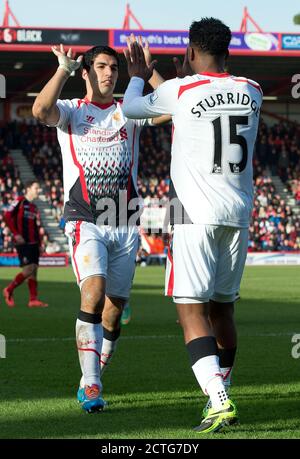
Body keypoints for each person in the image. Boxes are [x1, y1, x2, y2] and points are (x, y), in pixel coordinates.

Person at [123, 17, 262, 433]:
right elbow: (198, 98)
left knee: (190, 311)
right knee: (223, 308)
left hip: (193, 214)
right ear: (229, 52)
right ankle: (224, 386)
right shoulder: (252, 91)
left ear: (189, 52)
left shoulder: (180, 90)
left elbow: (134, 110)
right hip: (237, 215)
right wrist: (174, 78)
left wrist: (137, 76)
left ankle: (218, 400)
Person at [32, 41, 169, 413]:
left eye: (115, 67)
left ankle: (92, 375)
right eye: (103, 66)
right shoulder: (72, 111)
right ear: (88, 71)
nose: (110, 73)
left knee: (113, 311)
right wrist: (63, 69)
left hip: (125, 220)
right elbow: (40, 109)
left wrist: (146, 72)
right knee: (93, 292)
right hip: (84, 218)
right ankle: (91, 385)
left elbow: (171, 107)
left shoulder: (130, 112)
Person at [3, 180, 48, 308]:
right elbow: (6, 215)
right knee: (29, 269)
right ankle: (9, 289)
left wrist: (39, 244)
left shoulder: (34, 206)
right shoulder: (20, 200)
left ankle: (33, 299)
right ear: (28, 188)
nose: (38, 190)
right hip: (23, 241)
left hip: (33, 242)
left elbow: (34, 225)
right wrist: (16, 233)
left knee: (34, 270)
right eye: (36, 188)